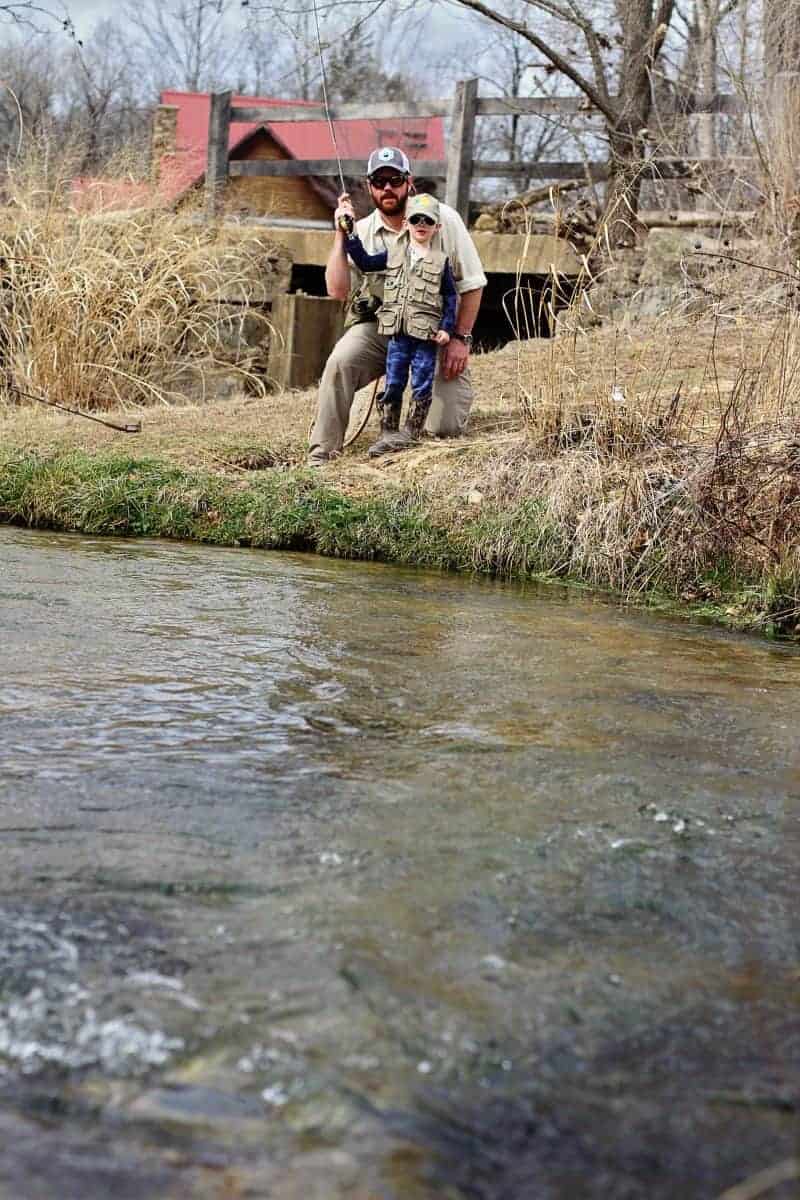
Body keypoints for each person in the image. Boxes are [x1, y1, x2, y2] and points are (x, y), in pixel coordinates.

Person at [308, 146, 486, 466]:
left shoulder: (445, 219)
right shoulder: (360, 230)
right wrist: (340, 234)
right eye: (379, 181)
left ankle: (410, 428)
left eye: (395, 179)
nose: (387, 187)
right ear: (369, 185)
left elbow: (472, 285)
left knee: (444, 428)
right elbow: (337, 290)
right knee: (341, 361)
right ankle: (322, 453)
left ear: (409, 182)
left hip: (433, 334)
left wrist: (460, 339)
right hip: (383, 327)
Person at [342, 191, 457, 456]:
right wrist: (349, 232)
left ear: (436, 227)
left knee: (422, 381)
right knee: (393, 380)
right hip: (397, 336)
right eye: (415, 219)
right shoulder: (393, 253)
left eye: (427, 221)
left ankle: (411, 432)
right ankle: (388, 431)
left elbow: (451, 297)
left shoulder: (441, 262)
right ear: (406, 223)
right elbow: (365, 263)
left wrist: (446, 329)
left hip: (425, 337)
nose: (421, 225)